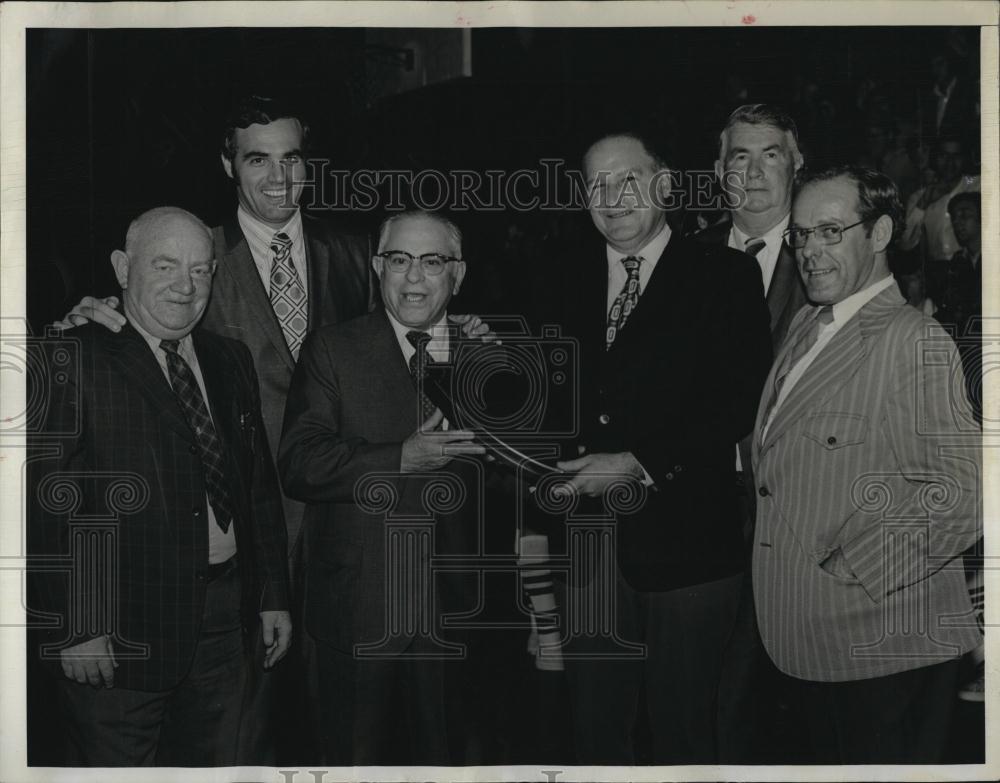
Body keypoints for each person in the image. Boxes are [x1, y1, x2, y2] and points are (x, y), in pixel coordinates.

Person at [50, 95, 489, 764]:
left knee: (331, 735)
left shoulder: (357, 252)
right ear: (229, 165)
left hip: (352, 539)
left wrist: (462, 329)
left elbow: (405, 329)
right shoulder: (196, 250)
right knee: (250, 740)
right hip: (235, 552)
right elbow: (136, 329)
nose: (279, 177)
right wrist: (83, 314)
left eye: (292, 159)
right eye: (258, 159)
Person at [28, 207, 291, 766]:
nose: (185, 286)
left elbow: (258, 489)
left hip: (225, 625)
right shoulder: (72, 357)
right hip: (118, 635)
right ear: (123, 269)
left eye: (200, 270)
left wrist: (273, 596)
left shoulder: (230, 359)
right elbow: (43, 507)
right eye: (166, 266)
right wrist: (76, 627)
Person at [549, 132, 772, 763]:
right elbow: (542, 388)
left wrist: (638, 464)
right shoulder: (559, 275)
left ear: (666, 185)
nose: (612, 197)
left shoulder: (725, 274)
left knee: (685, 736)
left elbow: (739, 401)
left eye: (629, 179)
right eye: (596, 184)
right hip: (589, 548)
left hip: (691, 552)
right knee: (595, 736)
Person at [753, 166, 981, 763]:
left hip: (882, 648)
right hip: (806, 643)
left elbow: (965, 494)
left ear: (879, 234)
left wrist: (856, 564)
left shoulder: (912, 340)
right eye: (801, 234)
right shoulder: (808, 322)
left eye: (831, 231)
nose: (810, 251)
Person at [278, 210, 490, 765]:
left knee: (449, 761)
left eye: (432, 261)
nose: (414, 277)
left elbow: (512, 479)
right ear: (377, 268)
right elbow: (299, 462)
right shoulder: (333, 349)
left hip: (453, 611)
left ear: (458, 273)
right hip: (358, 607)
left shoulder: (486, 357)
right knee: (351, 760)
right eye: (399, 260)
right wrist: (400, 458)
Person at [697, 103, 809, 761]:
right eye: (741, 155)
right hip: (701, 500)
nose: (756, 170)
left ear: (797, 164)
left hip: (797, 504)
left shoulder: (831, 252)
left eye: (772, 154)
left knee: (782, 698)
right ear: (720, 170)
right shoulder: (687, 256)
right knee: (707, 689)